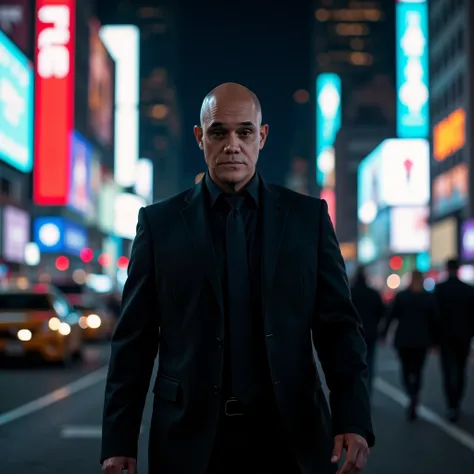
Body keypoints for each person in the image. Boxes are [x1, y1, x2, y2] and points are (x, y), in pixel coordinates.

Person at [101, 82, 374, 474]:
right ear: (200, 137)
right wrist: (118, 440)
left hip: (291, 435)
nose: (232, 144)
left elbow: (339, 329)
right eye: (218, 132)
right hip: (189, 439)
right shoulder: (159, 225)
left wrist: (353, 418)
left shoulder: (307, 219)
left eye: (244, 132)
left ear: (261, 137)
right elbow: (134, 340)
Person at [382, 270, 438, 421]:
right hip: (422, 340)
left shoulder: (402, 296)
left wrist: (384, 334)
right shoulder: (428, 297)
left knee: (406, 369)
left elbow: (391, 316)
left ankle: (410, 390)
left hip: (404, 339)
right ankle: (415, 393)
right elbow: (434, 320)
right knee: (418, 369)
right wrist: (435, 341)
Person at [434, 258, 474, 422]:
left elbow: (434, 315)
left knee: (447, 369)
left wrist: (434, 338)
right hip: (464, 336)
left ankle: (451, 404)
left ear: (447, 268)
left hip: (445, 337)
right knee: (461, 368)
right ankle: (457, 401)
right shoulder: (468, 290)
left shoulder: (440, 289)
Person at [350, 266, 385, 396]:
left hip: (353, 333)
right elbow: (382, 312)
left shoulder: (350, 293)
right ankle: (367, 390)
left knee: (354, 363)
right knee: (369, 362)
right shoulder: (373, 294)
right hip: (370, 332)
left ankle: (357, 390)